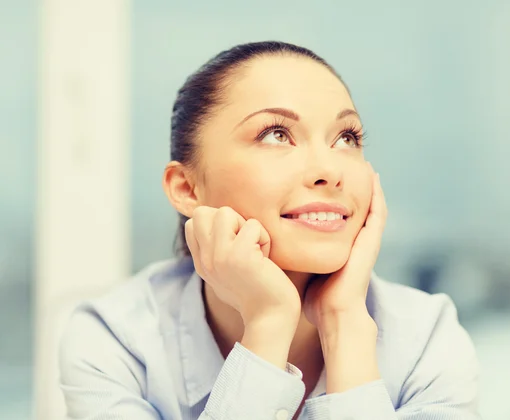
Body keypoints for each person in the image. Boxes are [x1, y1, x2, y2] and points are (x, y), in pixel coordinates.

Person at [59, 41, 480, 420]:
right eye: (276, 134)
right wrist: (267, 324)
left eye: (346, 137)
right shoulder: (116, 341)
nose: (329, 171)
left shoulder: (427, 336)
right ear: (187, 188)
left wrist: (345, 328)